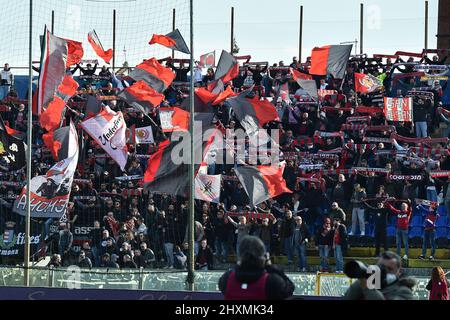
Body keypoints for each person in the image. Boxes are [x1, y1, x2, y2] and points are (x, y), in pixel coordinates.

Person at [218, 236, 295, 300]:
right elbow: (289, 289)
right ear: (263, 256)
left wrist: (239, 264)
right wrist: (269, 266)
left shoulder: (226, 278)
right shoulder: (272, 281)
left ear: (240, 255)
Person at [344, 251, 417, 300]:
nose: (383, 271)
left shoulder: (404, 291)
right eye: (381, 266)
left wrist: (367, 287)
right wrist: (362, 276)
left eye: (389, 269)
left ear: (399, 272)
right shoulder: (368, 283)